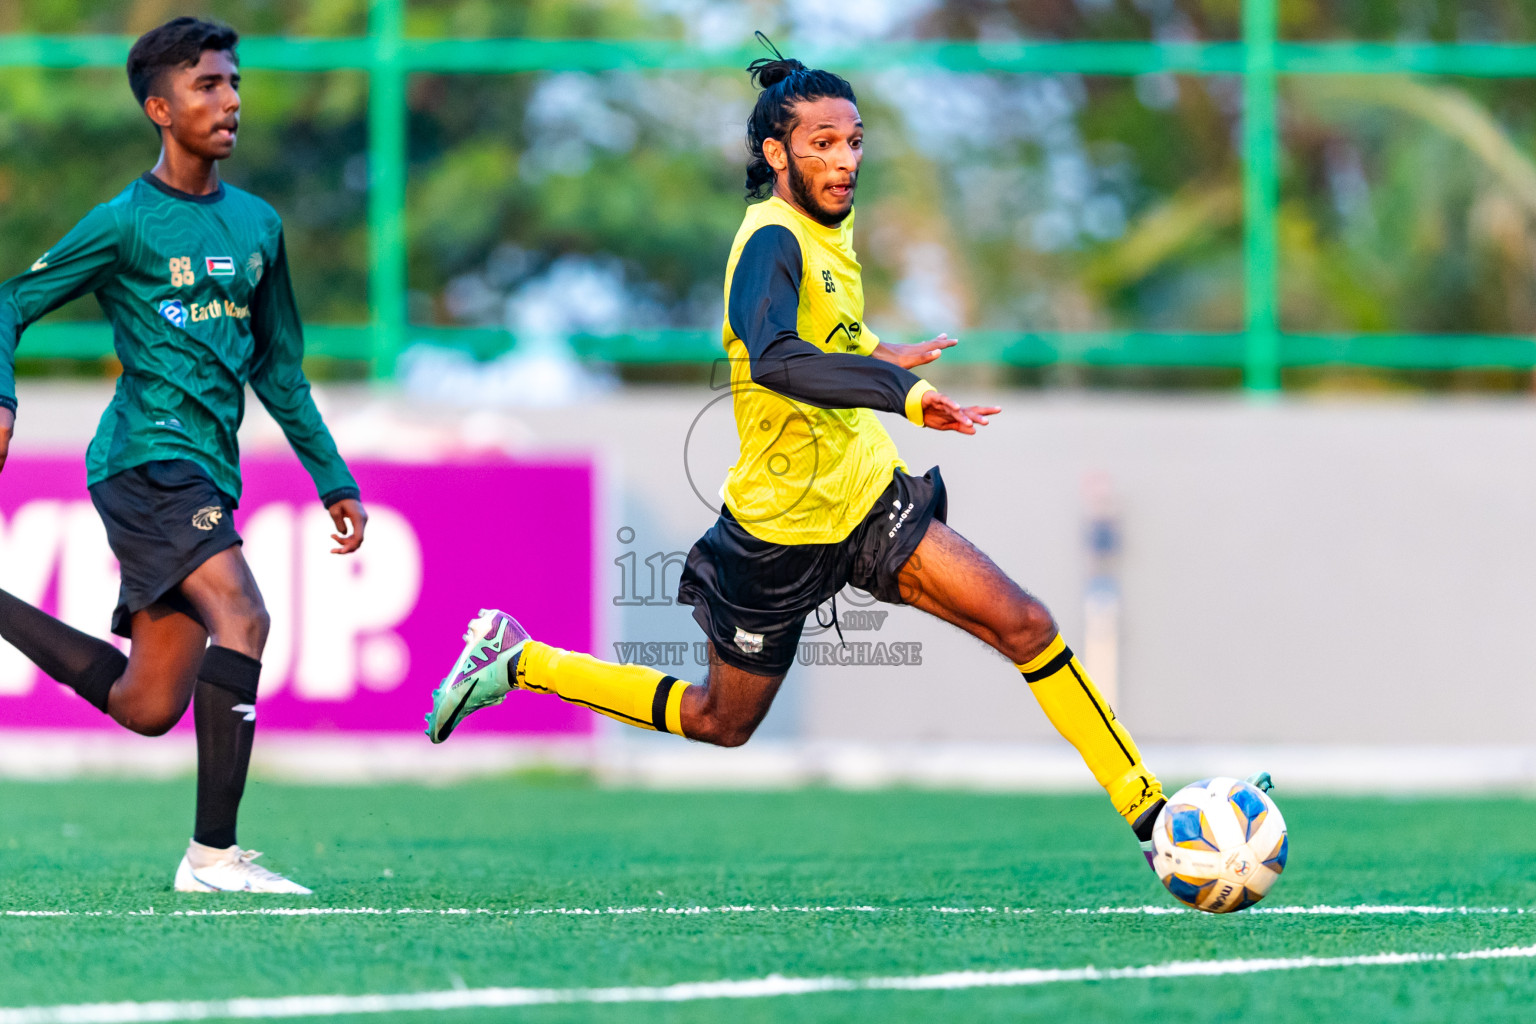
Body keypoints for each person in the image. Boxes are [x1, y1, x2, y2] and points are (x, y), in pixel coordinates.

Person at [424, 46, 1173, 862]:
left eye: (853, 141)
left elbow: (826, 333)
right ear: (776, 155)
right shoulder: (767, 243)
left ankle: (1155, 818)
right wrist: (904, 394)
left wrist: (883, 353)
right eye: (822, 143)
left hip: (863, 495)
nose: (844, 161)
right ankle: (522, 660)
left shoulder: (830, 226)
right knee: (723, 721)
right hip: (776, 529)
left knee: (1026, 625)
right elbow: (778, 358)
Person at [0, 18, 366, 893]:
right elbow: (10, 302)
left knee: (148, 704)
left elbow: (280, 371)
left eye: (234, 82)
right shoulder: (124, 222)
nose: (231, 100)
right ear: (161, 109)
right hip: (144, 458)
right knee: (245, 617)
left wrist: (333, 479)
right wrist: (3, 396)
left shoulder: (260, 225)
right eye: (208, 85)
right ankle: (212, 859)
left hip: (207, 469)